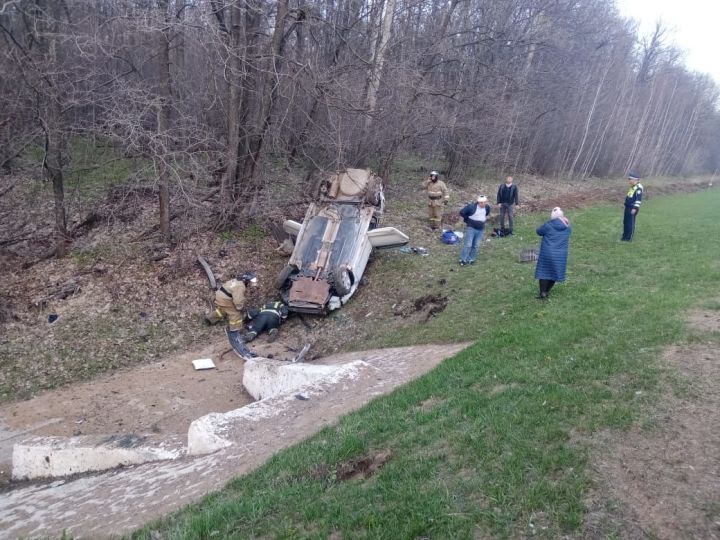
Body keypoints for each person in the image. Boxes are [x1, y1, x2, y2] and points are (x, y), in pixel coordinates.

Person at [206, 272, 258, 353]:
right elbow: (238, 300)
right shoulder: (241, 287)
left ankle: (210, 318)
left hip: (220, 296)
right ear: (247, 280)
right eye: (251, 281)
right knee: (235, 314)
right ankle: (234, 331)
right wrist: (239, 308)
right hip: (224, 299)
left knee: (225, 309)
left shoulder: (237, 280)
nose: (253, 283)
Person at [535, 207, 571, 299]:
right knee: (555, 272)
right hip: (561, 254)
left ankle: (543, 292)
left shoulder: (548, 225)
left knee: (544, 272)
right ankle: (547, 291)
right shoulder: (567, 225)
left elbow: (538, 231)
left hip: (547, 252)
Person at [458, 195, 491, 266]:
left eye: (485, 202)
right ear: (478, 202)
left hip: (481, 228)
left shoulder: (487, 207)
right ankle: (463, 259)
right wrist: (468, 220)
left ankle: (471, 259)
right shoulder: (471, 207)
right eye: (481, 202)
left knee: (476, 245)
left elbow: (487, 213)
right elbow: (462, 212)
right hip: (471, 227)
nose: (483, 204)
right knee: (468, 244)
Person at [621, 172, 643, 241]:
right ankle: (624, 236)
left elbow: (638, 200)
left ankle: (628, 238)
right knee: (625, 222)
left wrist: (635, 208)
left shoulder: (639, 188)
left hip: (632, 208)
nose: (629, 180)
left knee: (630, 223)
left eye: (630, 179)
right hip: (628, 207)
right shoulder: (633, 186)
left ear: (635, 180)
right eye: (629, 179)